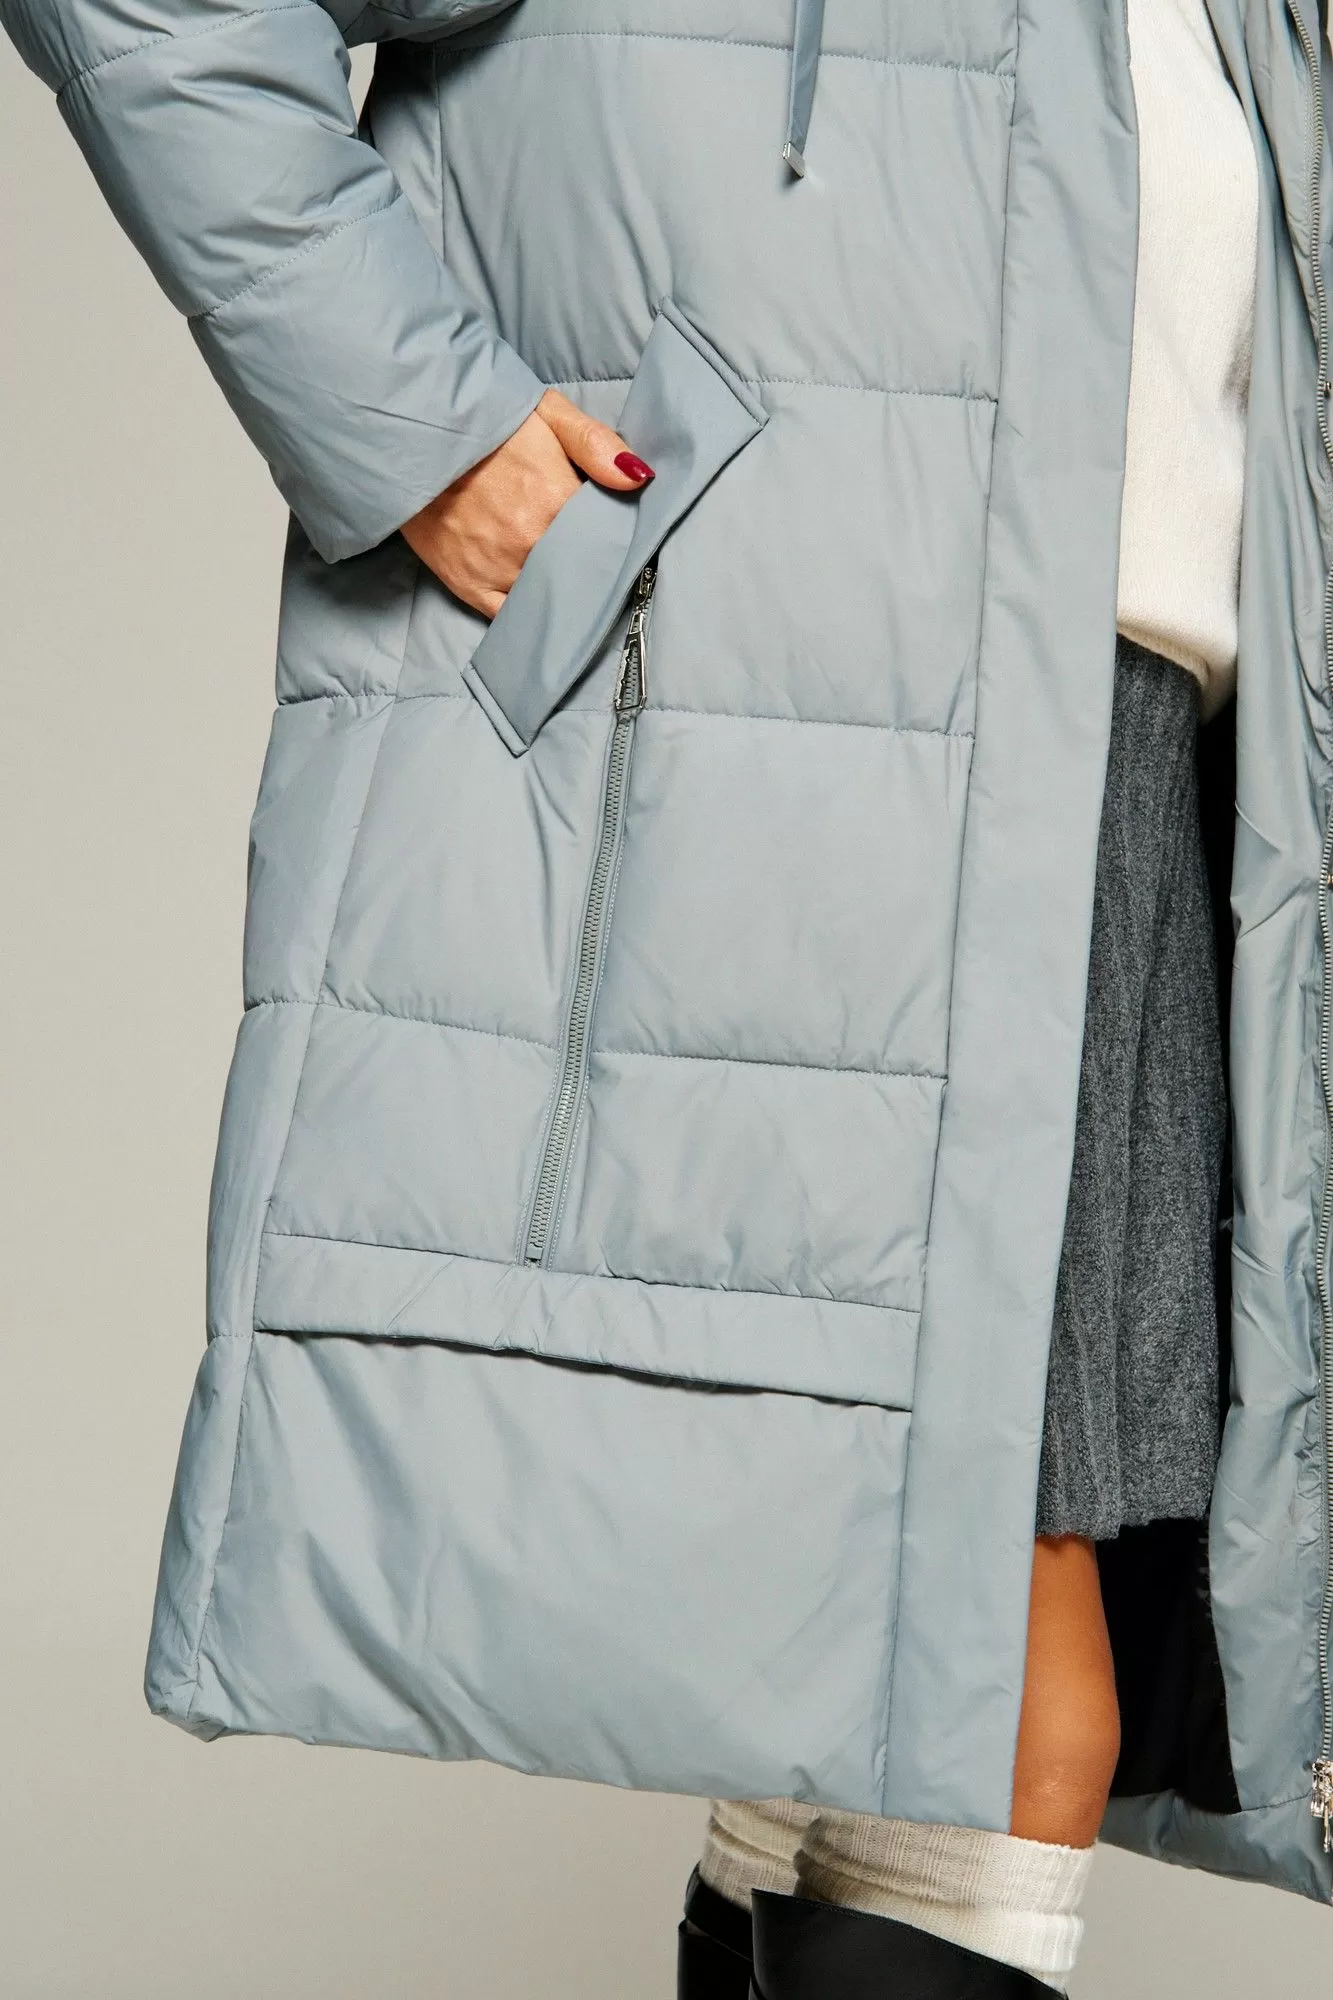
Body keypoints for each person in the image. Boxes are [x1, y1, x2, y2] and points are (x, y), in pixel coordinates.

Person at [2, 0, 1327, 1994]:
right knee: (991, 1706)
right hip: (818, 744)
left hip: (1141, 756)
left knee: (885, 1701)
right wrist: (418, 417)